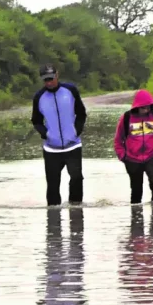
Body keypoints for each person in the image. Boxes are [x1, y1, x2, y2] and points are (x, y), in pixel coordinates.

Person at [31, 64, 87, 206]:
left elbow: (81, 114)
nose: (49, 82)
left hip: (73, 145)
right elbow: (36, 121)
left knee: (77, 178)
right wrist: (46, 134)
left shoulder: (70, 90)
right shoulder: (39, 97)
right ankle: (53, 217)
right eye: (45, 80)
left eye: (51, 78)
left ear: (57, 75)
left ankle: (75, 209)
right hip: (51, 149)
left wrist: (76, 131)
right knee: (52, 183)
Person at [113, 89, 153, 204]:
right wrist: (123, 157)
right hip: (132, 159)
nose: (146, 110)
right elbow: (118, 140)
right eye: (144, 107)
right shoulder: (126, 118)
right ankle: (136, 218)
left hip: (152, 156)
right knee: (136, 191)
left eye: (149, 107)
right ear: (137, 106)